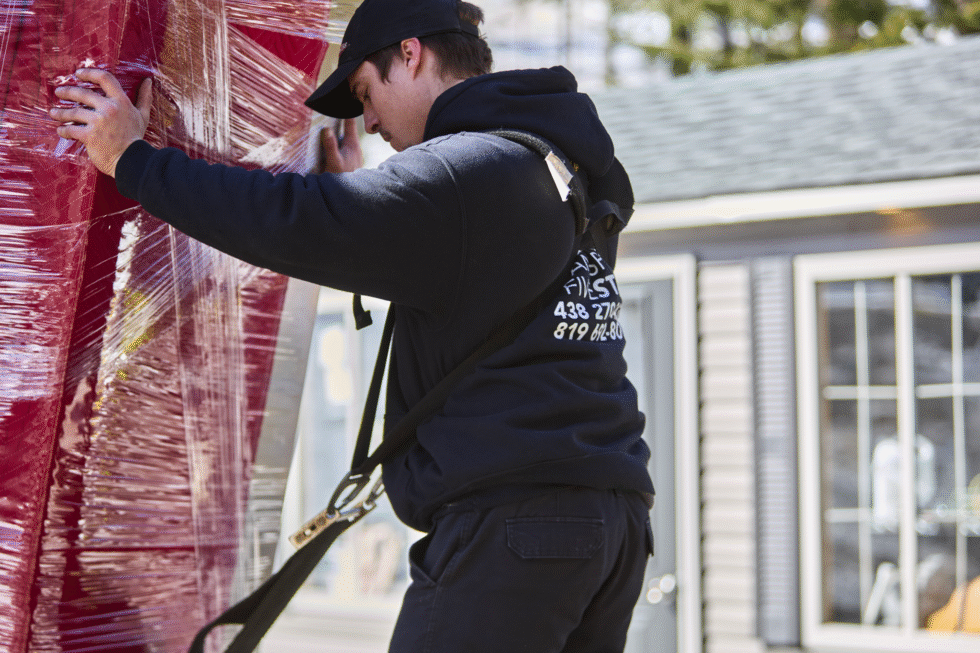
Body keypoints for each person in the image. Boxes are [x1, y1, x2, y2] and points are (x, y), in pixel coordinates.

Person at [50, 0, 655, 650]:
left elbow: (294, 219)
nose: (368, 120)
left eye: (367, 91)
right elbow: (469, 278)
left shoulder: (469, 171)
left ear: (411, 52)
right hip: (607, 527)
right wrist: (368, 209)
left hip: (515, 530)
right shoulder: (555, 164)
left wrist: (134, 159)